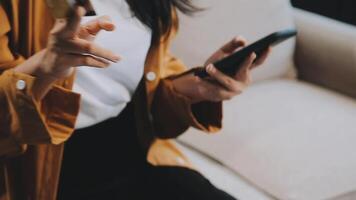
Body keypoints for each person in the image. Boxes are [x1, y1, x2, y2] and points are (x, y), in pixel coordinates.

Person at [0, 0, 270, 199]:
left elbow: (154, 73)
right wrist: (46, 68)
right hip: (46, 177)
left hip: (135, 156)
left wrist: (200, 87)